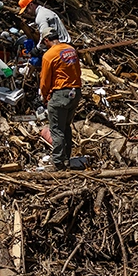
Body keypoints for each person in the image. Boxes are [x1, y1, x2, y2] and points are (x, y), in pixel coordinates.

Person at [39, 29, 82, 170]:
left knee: (56, 129)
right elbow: (78, 70)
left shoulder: (49, 55)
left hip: (60, 94)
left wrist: (45, 96)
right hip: (75, 92)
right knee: (66, 127)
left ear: (46, 40)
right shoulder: (71, 50)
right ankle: (67, 159)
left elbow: (45, 80)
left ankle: (58, 162)